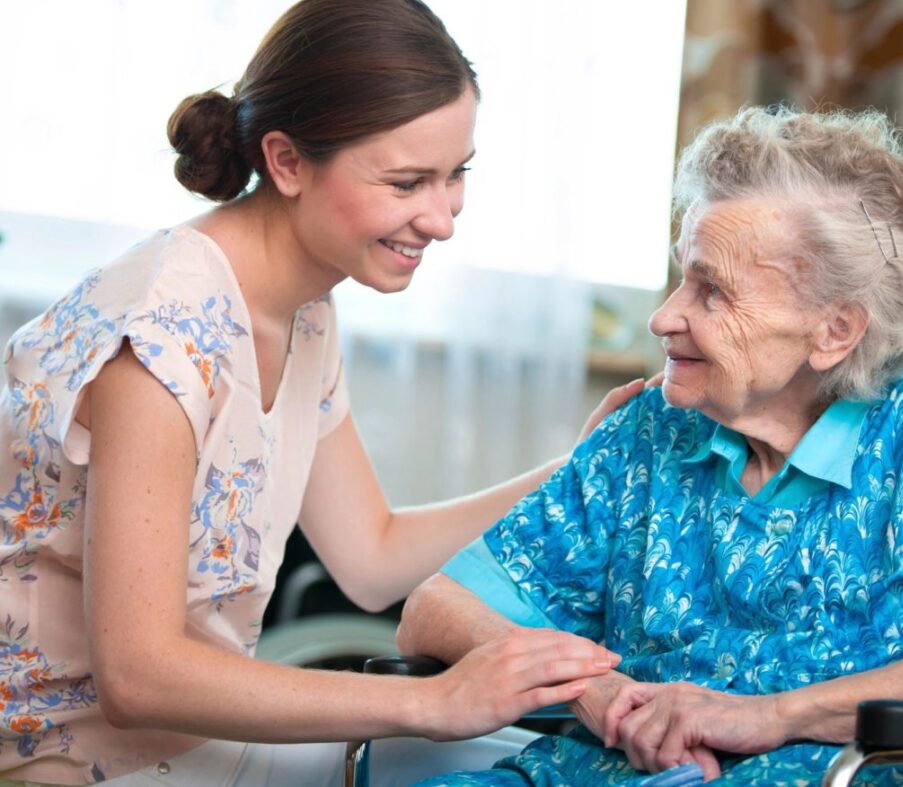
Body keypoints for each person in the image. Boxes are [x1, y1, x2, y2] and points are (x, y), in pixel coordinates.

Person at [0, 1, 638, 783]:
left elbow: (370, 554)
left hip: (180, 742)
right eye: (407, 181)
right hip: (61, 752)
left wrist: (576, 466)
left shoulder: (302, 306)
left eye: (456, 174)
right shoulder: (162, 336)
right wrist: (436, 700)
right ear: (289, 161)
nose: (442, 219)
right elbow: (138, 677)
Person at [398, 106, 903, 785]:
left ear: (834, 332)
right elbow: (434, 609)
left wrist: (774, 715)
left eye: (712, 291)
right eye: (681, 278)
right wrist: (597, 696)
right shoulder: (651, 430)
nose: (664, 317)